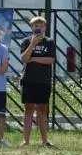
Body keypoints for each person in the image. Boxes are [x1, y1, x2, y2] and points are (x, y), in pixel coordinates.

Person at [19, 16, 55, 147]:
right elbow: (23, 59)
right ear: (31, 28)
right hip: (28, 80)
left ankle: (45, 140)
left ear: (45, 28)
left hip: (43, 81)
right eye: (35, 26)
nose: (38, 27)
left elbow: (50, 60)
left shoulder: (49, 42)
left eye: (41, 25)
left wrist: (33, 59)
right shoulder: (26, 41)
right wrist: (33, 45)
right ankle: (26, 141)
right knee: (28, 110)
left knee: (42, 110)